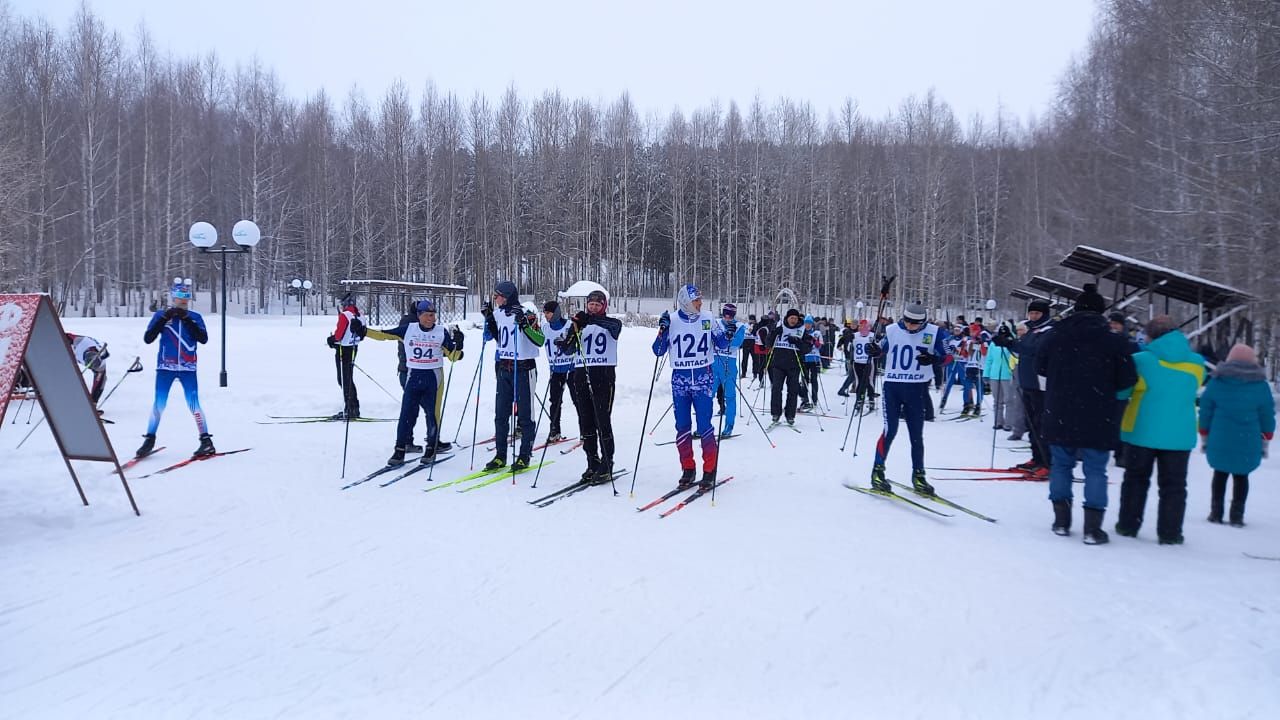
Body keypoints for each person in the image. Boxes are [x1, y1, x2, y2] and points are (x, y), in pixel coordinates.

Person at [1035, 285, 1137, 544]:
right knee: (1095, 469)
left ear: (1076, 309)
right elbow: (1128, 378)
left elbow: (1041, 367)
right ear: (1101, 312)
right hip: (1098, 412)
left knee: (1061, 465)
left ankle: (1061, 521)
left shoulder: (1056, 335)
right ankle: (1092, 528)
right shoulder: (1114, 340)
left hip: (1060, 408)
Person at [1113, 315, 1205, 544]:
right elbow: (1196, 386)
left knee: (1135, 480)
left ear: (1150, 336)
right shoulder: (1197, 363)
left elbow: (1122, 392)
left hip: (1141, 429)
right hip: (1180, 433)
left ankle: (1128, 525)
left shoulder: (1139, 360)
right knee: (1174, 486)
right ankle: (1170, 533)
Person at [852, 303, 948, 495]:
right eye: (908, 321)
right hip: (893, 387)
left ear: (924, 321)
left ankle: (919, 476)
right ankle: (877, 472)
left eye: (916, 323)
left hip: (917, 388)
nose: (911, 326)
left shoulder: (935, 332)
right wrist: (874, 351)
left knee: (916, 435)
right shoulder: (893, 329)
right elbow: (881, 349)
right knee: (890, 430)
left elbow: (949, 356)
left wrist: (934, 359)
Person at [366, 300, 464, 466]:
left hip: (433, 378)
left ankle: (431, 448)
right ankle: (399, 451)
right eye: (427, 315)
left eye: (433, 315)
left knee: (432, 415)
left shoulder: (441, 332)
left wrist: (459, 345)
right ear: (419, 315)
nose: (431, 319)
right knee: (406, 414)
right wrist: (362, 331)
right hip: (414, 376)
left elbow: (453, 357)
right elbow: (384, 335)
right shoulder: (409, 329)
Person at [652, 284, 728, 490]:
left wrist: (720, 333)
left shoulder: (708, 317)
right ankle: (688, 468)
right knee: (682, 426)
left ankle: (710, 470)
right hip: (680, 380)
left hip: (703, 378)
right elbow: (658, 350)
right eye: (696, 300)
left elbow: (723, 344)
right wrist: (663, 329)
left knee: (704, 425)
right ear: (686, 301)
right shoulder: (673, 319)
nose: (700, 303)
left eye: (700, 299)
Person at [1199, 343, 1275, 527]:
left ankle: (1216, 512)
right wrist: (1267, 433)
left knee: (1220, 473)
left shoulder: (1217, 380)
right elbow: (1267, 412)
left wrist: (1204, 430)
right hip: (1247, 438)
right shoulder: (1260, 385)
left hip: (1220, 435)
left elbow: (1206, 408)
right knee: (1242, 476)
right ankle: (1237, 515)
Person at [136, 280, 213, 459]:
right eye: (180, 299)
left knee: (193, 403)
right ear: (173, 299)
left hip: (188, 367)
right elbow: (148, 338)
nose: (183, 302)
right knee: (159, 403)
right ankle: (149, 439)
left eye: (186, 299)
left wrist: (186, 319)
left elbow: (203, 339)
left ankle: (206, 440)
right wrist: (163, 318)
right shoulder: (162, 316)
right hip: (165, 366)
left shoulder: (195, 317)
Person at [555, 289, 623, 484]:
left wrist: (588, 320)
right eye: (590, 304)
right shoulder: (580, 324)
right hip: (581, 374)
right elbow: (568, 349)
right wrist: (568, 336)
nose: (593, 307)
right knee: (585, 421)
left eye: (597, 304)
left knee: (602, 420)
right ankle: (592, 460)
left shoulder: (611, 322)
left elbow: (615, 329)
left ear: (604, 306)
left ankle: (607, 462)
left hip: (603, 374)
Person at [482, 280, 545, 471]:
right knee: (501, 414)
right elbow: (500, 338)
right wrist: (489, 319)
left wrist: (525, 324)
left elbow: (540, 340)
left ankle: (524, 456)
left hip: (524, 368)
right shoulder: (499, 313)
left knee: (525, 415)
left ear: (507, 296)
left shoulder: (526, 313)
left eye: (498, 295)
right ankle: (500, 455)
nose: (495, 299)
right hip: (504, 367)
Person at [993, 299, 1055, 476]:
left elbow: (1034, 349)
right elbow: (1021, 349)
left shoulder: (1048, 330)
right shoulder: (1031, 329)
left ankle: (1047, 461)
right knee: (1031, 423)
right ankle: (1037, 458)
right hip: (1027, 382)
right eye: (1031, 313)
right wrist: (1006, 340)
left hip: (1041, 384)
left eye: (1037, 313)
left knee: (1040, 424)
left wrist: (1010, 343)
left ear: (1045, 314)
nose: (1033, 316)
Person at [762, 309, 811, 426]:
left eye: (795, 318)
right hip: (778, 364)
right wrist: (774, 333)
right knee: (776, 389)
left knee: (792, 391)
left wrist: (797, 342)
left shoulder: (802, 330)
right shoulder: (780, 327)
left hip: (794, 365)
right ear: (787, 318)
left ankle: (790, 415)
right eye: (791, 318)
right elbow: (767, 343)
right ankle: (776, 413)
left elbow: (808, 348)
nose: (793, 320)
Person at [540, 300, 577, 443]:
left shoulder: (569, 326)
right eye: (545, 313)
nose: (546, 316)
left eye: (548, 313)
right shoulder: (544, 328)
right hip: (555, 370)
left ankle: (585, 432)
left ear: (556, 312)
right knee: (554, 401)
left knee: (578, 400)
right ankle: (554, 431)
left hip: (571, 368)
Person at [326, 295, 364, 420]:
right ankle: (354, 407)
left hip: (344, 349)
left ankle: (350, 409)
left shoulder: (345, 315)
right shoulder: (360, 315)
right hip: (354, 347)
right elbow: (362, 334)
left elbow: (338, 335)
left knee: (343, 379)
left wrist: (331, 340)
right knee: (348, 378)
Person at [712, 303, 748, 438]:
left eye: (731, 315)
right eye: (726, 314)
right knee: (707, 396)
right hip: (713, 363)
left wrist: (729, 337)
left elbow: (737, 344)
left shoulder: (739, 327)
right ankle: (703, 426)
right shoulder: (715, 323)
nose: (728, 318)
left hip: (729, 364)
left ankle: (729, 426)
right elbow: (709, 339)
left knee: (730, 396)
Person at [984, 322, 1017, 431]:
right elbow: (989, 359)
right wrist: (986, 374)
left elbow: (1016, 357)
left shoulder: (1012, 342)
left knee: (1009, 400)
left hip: (1007, 375)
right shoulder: (994, 344)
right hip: (995, 374)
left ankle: (1009, 423)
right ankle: (998, 422)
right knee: (997, 400)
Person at [65, 332, 108, 405]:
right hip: (75, 351)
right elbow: (65, 336)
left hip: (87, 359)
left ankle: (93, 402)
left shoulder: (100, 366)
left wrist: (93, 401)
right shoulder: (81, 342)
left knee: (100, 380)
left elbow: (99, 382)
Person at [800, 315, 823, 411]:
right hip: (804, 359)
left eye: (809, 323)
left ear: (812, 324)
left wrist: (813, 341)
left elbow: (820, 346)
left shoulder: (817, 333)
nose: (807, 325)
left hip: (814, 359)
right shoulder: (801, 332)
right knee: (804, 381)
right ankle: (805, 400)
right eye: (806, 323)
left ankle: (814, 400)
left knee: (814, 380)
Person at [740, 314, 756, 379]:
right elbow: (742, 333)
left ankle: (755, 373)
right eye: (750, 319)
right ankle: (743, 373)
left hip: (753, 342)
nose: (751, 321)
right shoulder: (745, 325)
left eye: (753, 320)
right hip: (746, 342)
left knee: (755, 359)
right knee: (745, 359)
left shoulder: (756, 326)